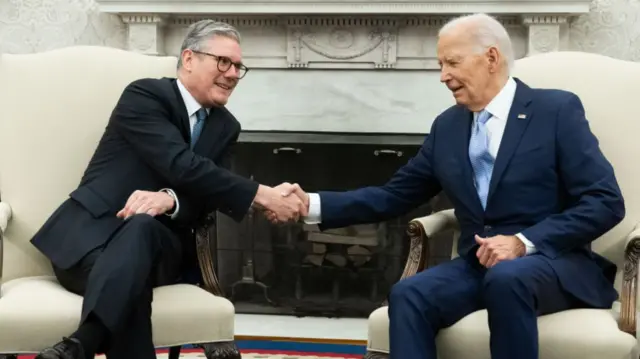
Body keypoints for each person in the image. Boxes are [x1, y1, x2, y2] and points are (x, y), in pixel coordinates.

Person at [275, 13, 625, 359]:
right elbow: (394, 195)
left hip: (552, 262)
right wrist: (312, 205)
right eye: (440, 65)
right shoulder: (448, 126)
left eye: (452, 63)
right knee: (408, 294)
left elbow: (605, 201)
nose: (443, 76)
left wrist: (522, 242)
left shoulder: (555, 111)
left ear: (490, 58)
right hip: (480, 265)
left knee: (507, 278)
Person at [30, 20, 305, 359]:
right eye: (224, 62)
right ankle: (82, 343)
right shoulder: (144, 95)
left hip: (160, 248)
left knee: (143, 227)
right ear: (189, 58)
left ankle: (83, 343)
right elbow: (180, 163)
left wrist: (169, 200)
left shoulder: (226, 127)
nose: (233, 74)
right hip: (88, 242)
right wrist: (262, 194)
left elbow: (208, 197)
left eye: (238, 66)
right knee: (132, 283)